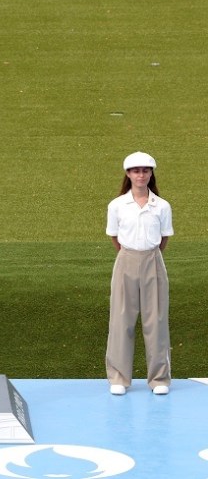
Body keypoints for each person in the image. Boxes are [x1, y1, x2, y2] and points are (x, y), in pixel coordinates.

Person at [105, 151, 173, 396]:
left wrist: (149, 255)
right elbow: (114, 236)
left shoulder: (162, 206)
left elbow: (164, 238)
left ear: (151, 173)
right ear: (128, 174)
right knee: (121, 320)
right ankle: (119, 378)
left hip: (153, 260)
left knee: (155, 320)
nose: (141, 175)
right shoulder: (117, 205)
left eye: (145, 170)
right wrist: (130, 255)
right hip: (126, 260)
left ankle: (159, 379)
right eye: (136, 171)